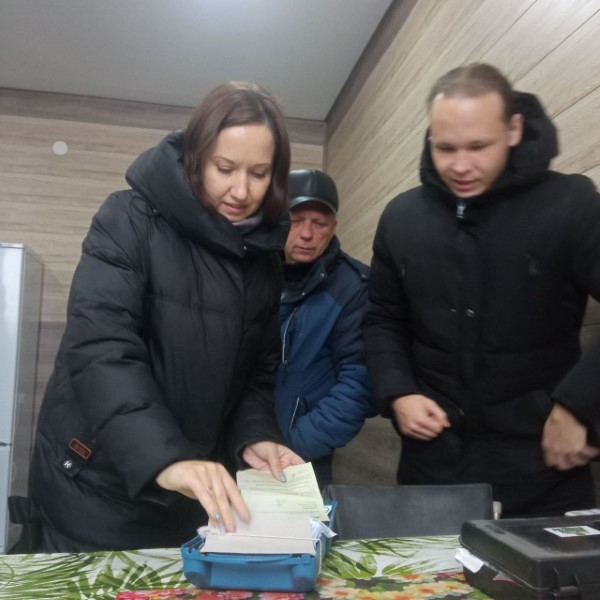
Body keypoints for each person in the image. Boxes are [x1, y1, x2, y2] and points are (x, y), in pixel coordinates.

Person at [28, 81, 303, 552]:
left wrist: (254, 436)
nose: (241, 190)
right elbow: (101, 349)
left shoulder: (263, 260)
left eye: (259, 173)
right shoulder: (128, 218)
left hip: (187, 492)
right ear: (195, 157)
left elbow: (254, 377)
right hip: (96, 485)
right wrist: (164, 458)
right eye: (224, 168)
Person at [363, 63, 600, 518]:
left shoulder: (571, 203)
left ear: (513, 129)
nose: (460, 166)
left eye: (478, 147)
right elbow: (382, 320)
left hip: (544, 468)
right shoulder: (401, 217)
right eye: (445, 148)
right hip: (432, 467)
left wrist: (580, 406)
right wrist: (397, 392)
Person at [274, 168, 375, 488]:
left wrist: (295, 446)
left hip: (303, 456)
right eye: (295, 220)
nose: (307, 233)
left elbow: (358, 385)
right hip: (237, 445)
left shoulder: (354, 287)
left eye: (319, 223)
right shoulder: (250, 273)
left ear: (333, 227)